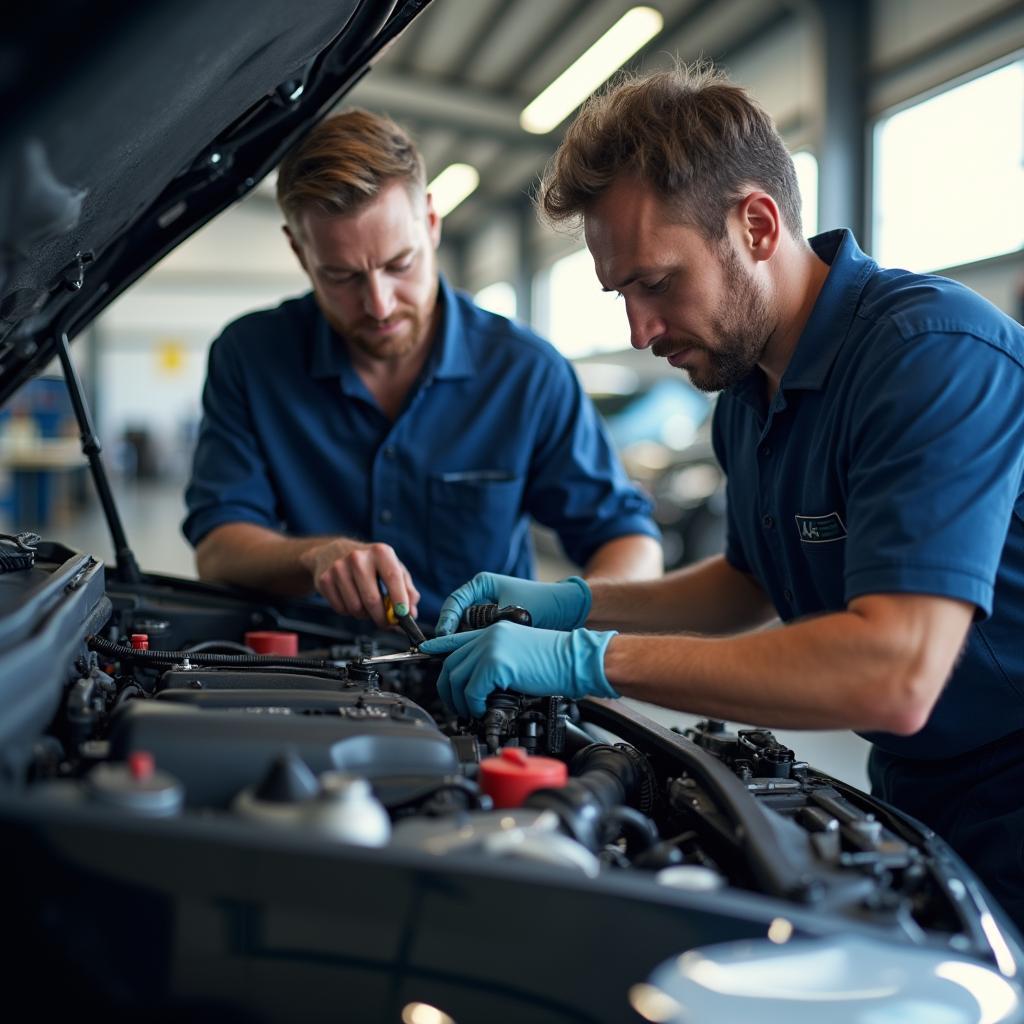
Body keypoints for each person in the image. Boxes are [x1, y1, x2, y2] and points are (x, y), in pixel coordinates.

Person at [422, 64, 1024, 928]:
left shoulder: (930, 356)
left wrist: (588, 660)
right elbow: (746, 584)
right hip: (918, 794)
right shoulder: (747, 396)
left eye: (657, 282)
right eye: (621, 292)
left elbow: (895, 670)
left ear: (757, 223)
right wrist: (569, 605)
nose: (640, 330)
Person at [183, 109, 662, 628]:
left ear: (431, 222)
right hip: (313, 670)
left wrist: (557, 632)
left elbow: (628, 541)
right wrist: (314, 557)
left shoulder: (526, 373)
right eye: (341, 276)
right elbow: (218, 548)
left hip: (484, 676)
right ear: (301, 252)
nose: (380, 304)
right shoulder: (250, 358)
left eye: (399, 265)